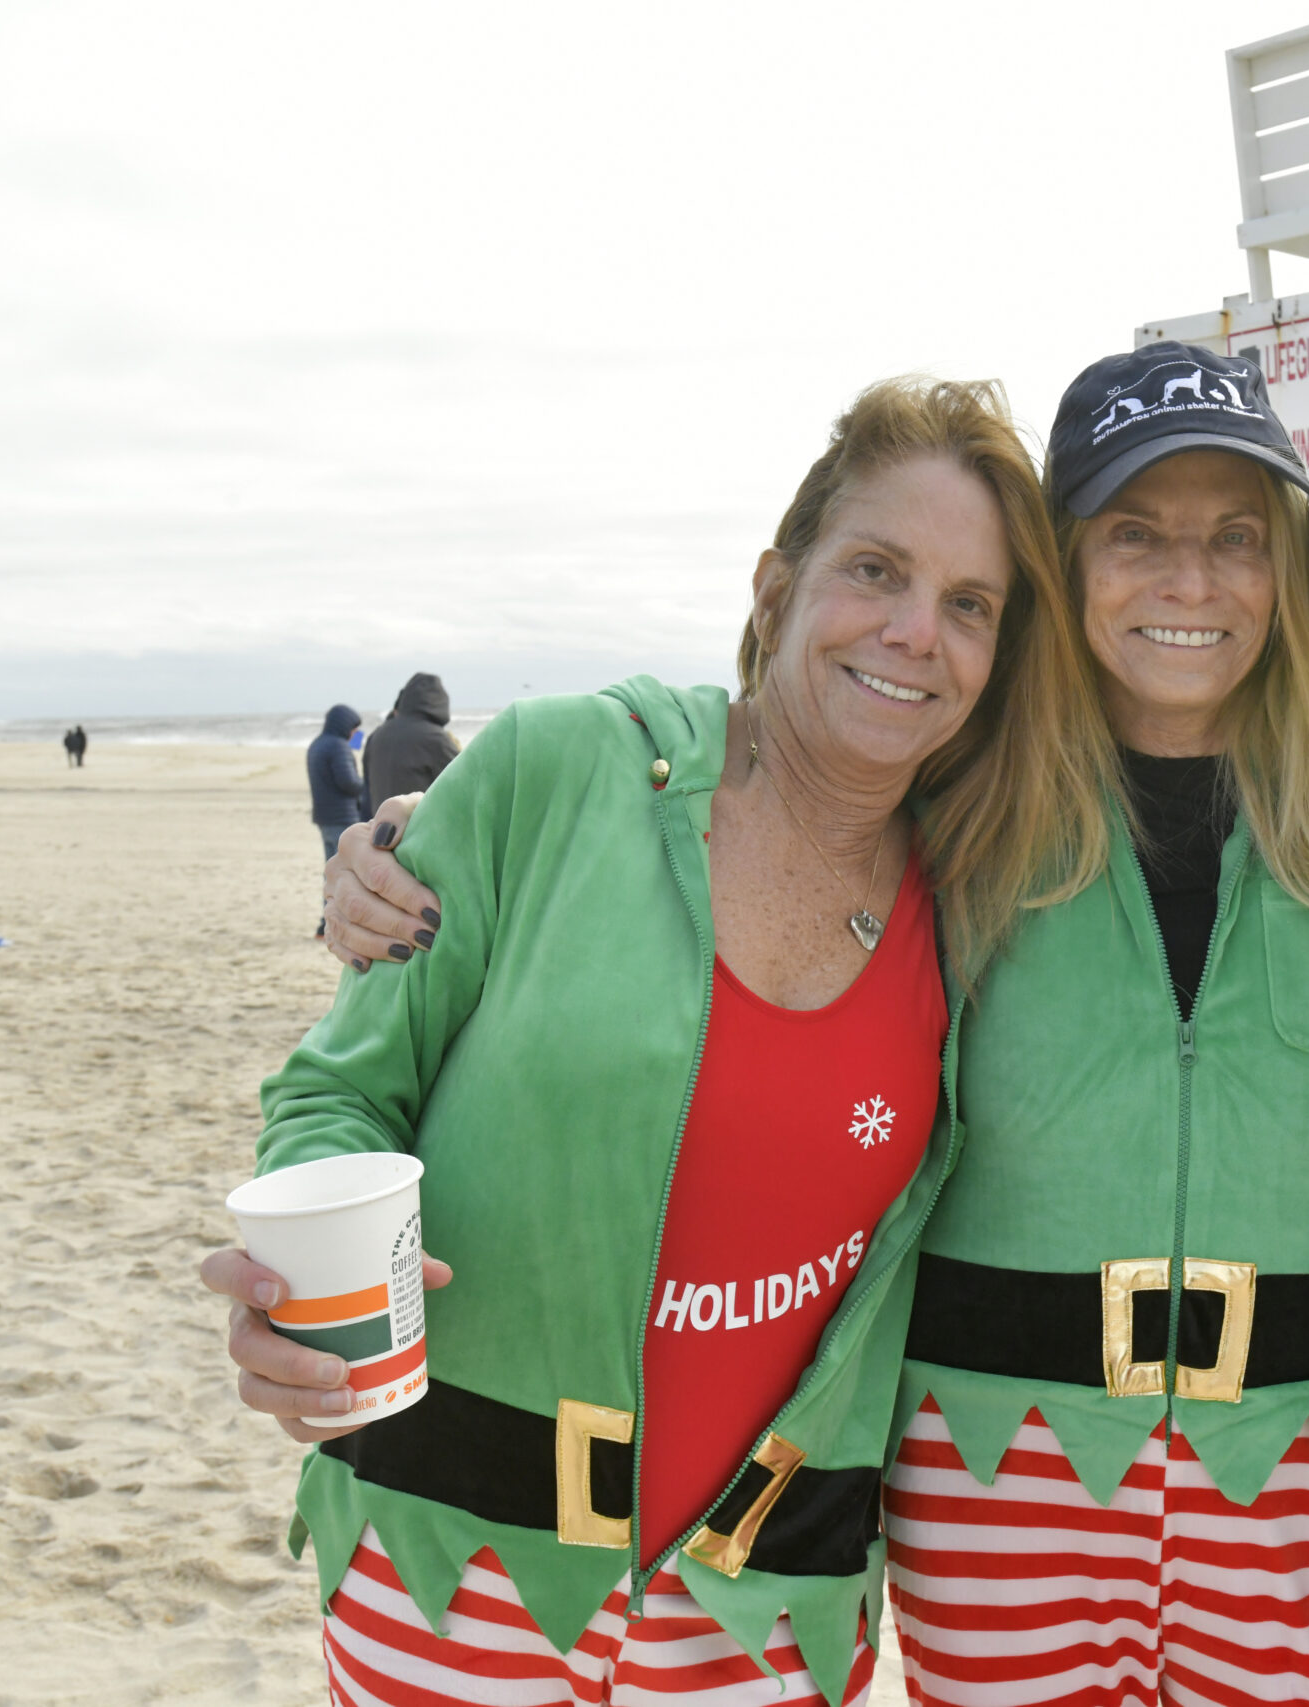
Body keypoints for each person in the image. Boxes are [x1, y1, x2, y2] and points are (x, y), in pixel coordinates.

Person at [326, 346, 1309, 1707]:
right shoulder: (974, 804)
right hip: (991, 1484)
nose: (1188, 578)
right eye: (1135, 532)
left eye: (1239, 538)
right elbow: (749, 772)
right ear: (1069, 571)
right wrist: (408, 849)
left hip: (1301, 1497)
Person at [201, 377, 1090, 1707]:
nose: (917, 631)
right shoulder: (563, 770)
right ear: (777, 587)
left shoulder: (979, 889)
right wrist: (302, 1305)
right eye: (876, 569)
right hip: (458, 1564)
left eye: (971, 604)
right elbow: (340, 1089)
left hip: (771, 1608)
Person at [306, 705, 368, 938]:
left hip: (324, 817)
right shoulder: (339, 747)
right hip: (343, 817)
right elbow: (349, 783)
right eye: (355, 729)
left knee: (331, 872)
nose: (355, 734)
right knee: (350, 873)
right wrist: (365, 783)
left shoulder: (317, 744)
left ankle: (326, 923)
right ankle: (335, 923)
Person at [362, 671, 458, 810]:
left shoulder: (377, 735)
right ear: (441, 703)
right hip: (420, 825)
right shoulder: (435, 738)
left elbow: (367, 783)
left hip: (382, 823)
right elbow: (462, 782)